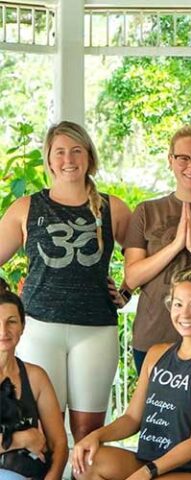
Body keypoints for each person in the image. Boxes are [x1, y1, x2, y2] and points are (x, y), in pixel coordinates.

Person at [0, 121, 132, 441]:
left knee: (88, 430)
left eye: (76, 150)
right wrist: (6, 301)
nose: (68, 159)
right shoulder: (27, 207)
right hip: (40, 329)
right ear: (48, 158)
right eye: (59, 152)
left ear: (89, 156)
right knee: (46, 429)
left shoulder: (112, 207)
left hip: (96, 329)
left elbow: (140, 258)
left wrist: (127, 291)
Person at [71, 268, 191, 480]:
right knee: (85, 462)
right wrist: (94, 437)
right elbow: (132, 418)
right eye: (178, 304)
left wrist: (147, 472)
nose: (184, 314)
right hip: (150, 463)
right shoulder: (156, 354)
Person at [124, 126, 191, 373]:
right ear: (171, 160)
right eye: (183, 158)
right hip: (153, 336)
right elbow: (131, 277)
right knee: (155, 411)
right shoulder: (146, 212)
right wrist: (174, 246)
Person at [0, 286, 68, 480]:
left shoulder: (36, 377)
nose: (3, 331)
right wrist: (24, 438)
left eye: (11, 322)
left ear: (22, 326)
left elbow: (59, 444)